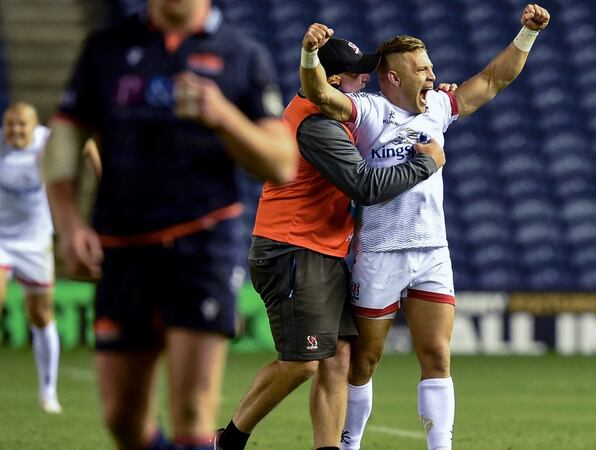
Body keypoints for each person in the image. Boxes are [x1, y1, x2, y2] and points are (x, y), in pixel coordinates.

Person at [41, 0, 297, 448]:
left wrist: (223, 115)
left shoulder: (240, 53)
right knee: (122, 418)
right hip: (123, 242)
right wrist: (68, 223)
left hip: (205, 239)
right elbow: (65, 137)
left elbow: (280, 164)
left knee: (194, 410)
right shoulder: (108, 47)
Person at [299, 5, 550, 450]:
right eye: (422, 68)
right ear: (393, 77)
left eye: (431, 66)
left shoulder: (438, 106)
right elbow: (321, 95)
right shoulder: (368, 111)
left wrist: (527, 34)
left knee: (437, 355)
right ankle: (349, 443)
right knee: (364, 362)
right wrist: (310, 56)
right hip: (379, 251)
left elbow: (493, 79)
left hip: (433, 250)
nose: (433, 76)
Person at [215, 37, 448, 450]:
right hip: (293, 249)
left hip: (322, 250)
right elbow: (365, 186)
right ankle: (229, 440)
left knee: (338, 358)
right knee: (303, 363)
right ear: (335, 80)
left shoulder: (334, 115)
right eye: (359, 72)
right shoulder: (317, 124)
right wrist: (426, 162)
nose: (367, 78)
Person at [0, 102, 62, 414]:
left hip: (36, 240)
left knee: (40, 316)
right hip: (1, 239)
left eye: (21, 125)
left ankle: (48, 392)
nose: (15, 131)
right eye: (10, 124)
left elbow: (88, 143)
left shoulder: (47, 141)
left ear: (34, 126)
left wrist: (99, 170)